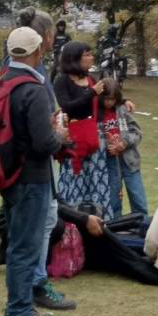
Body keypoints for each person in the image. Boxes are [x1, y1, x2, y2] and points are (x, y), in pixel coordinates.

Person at [0, 26, 68, 316]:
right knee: (25, 249)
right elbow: (43, 143)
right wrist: (60, 137)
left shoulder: (5, 81)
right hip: (31, 177)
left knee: (18, 246)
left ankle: (23, 306)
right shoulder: (34, 89)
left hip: (10, 175)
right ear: (38, 51)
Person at [54, 41, 115, 219]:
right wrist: (91, 93)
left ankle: (99, 219)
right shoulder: (62, 80)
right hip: (73, 141)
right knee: (74, 180)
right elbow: (67, 107)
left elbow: (105, 103)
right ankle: (73, 221)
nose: (91, 57)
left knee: (96, 180)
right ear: (75, 58)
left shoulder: (91, 79)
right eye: (87, 54)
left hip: (94, 140)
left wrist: (123, 101)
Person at [100, 79, 148, 220]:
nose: (109, 102)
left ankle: (143, 229)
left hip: (129, 162)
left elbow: (137, 132)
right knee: (113, 203)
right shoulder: (96, 113)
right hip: (108, 164)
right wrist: (106, 144)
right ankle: (116, 233)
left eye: (112, 99)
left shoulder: (122, 110)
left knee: (138, 199)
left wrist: (124, 143)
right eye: (106, 99)